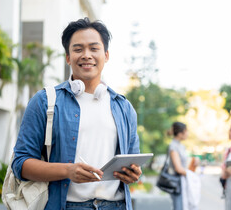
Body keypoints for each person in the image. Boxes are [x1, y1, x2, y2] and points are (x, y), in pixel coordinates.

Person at [11, 17, 141, 210]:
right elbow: (20, 164)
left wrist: (134, 174)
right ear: (68, 57)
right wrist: (67, 170)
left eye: (94, 48)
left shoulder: (123, 107)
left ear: (106, 55)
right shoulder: (45, 101)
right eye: (78, 49)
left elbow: (134, 163)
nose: (86, 55)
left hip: (116, 205)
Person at [168, 122, 189, 210]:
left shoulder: (181, 146)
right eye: (186, 131)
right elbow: (178, 168)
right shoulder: (174, 146)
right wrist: (192, 175)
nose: (188, 133)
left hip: (182, 181)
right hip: (177, 182)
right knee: (179, 206)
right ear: (180, 133)